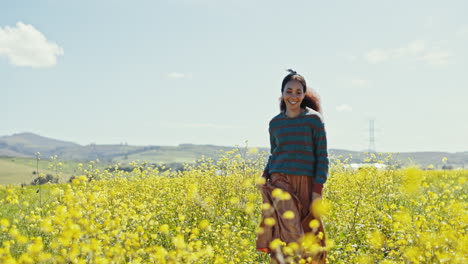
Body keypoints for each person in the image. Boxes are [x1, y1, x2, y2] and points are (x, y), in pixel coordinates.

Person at [256, 69, 329, 264]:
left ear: (304, 94)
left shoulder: (313, 120)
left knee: (310, 234)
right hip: (279, 181)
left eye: (298, 92)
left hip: (305, 184)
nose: (293, 96)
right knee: (288, 233)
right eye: (289, 91)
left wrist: (317, 190)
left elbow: (322, 156)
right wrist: (264, 175)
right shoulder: (275, 123)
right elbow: (275, 153)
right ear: (282, 93)